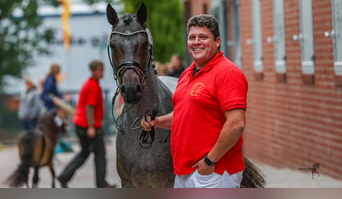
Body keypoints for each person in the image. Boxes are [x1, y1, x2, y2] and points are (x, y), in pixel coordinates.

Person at [141, 14, 248, 188]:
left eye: (203, 37)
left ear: (217, 41)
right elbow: (185, 116)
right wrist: (157, 122)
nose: (196, 42)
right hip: (185, 172)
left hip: (214, 172)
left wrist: (210, 160)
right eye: (192, 38)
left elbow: (236, 124)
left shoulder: (227, 73)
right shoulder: (187, 73)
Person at [57, 60, 115, 188]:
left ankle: (64, 176)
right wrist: (91, 127)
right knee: (100, 155)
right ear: (94, 71)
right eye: (100, 70)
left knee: (84, 153)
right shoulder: (93, 86)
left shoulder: (90, 84)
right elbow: (90, 107)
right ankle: (101, 184)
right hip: (89, 126)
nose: (102, 73)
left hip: (81, 124)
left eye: (102, 70)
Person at [40, 63, 73, 153]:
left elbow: (53, 93)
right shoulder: (50, 80)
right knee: (56, 125)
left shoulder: (50, 79)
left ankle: (55, 145)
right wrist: (53, 100)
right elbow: (45, 94)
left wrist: (62, 96)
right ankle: (54, 146)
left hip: (51, 107)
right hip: (50, 108)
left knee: (57, 125)